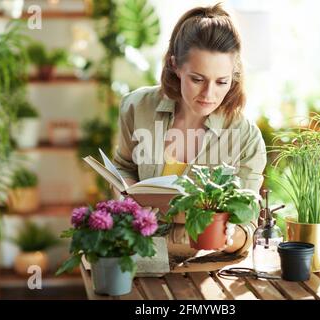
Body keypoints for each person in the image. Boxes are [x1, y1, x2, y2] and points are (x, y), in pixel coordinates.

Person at [112, 4, 267, 260]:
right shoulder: (136, 108)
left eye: (221, 82)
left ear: (234, 75)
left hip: (206, 263)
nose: (209, 95)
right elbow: (123, 166)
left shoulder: (246, 137)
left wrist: (231, 236)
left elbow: (247, 223)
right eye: (197, 79)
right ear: (175, 65)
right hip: (140, 253)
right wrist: (129, 203)